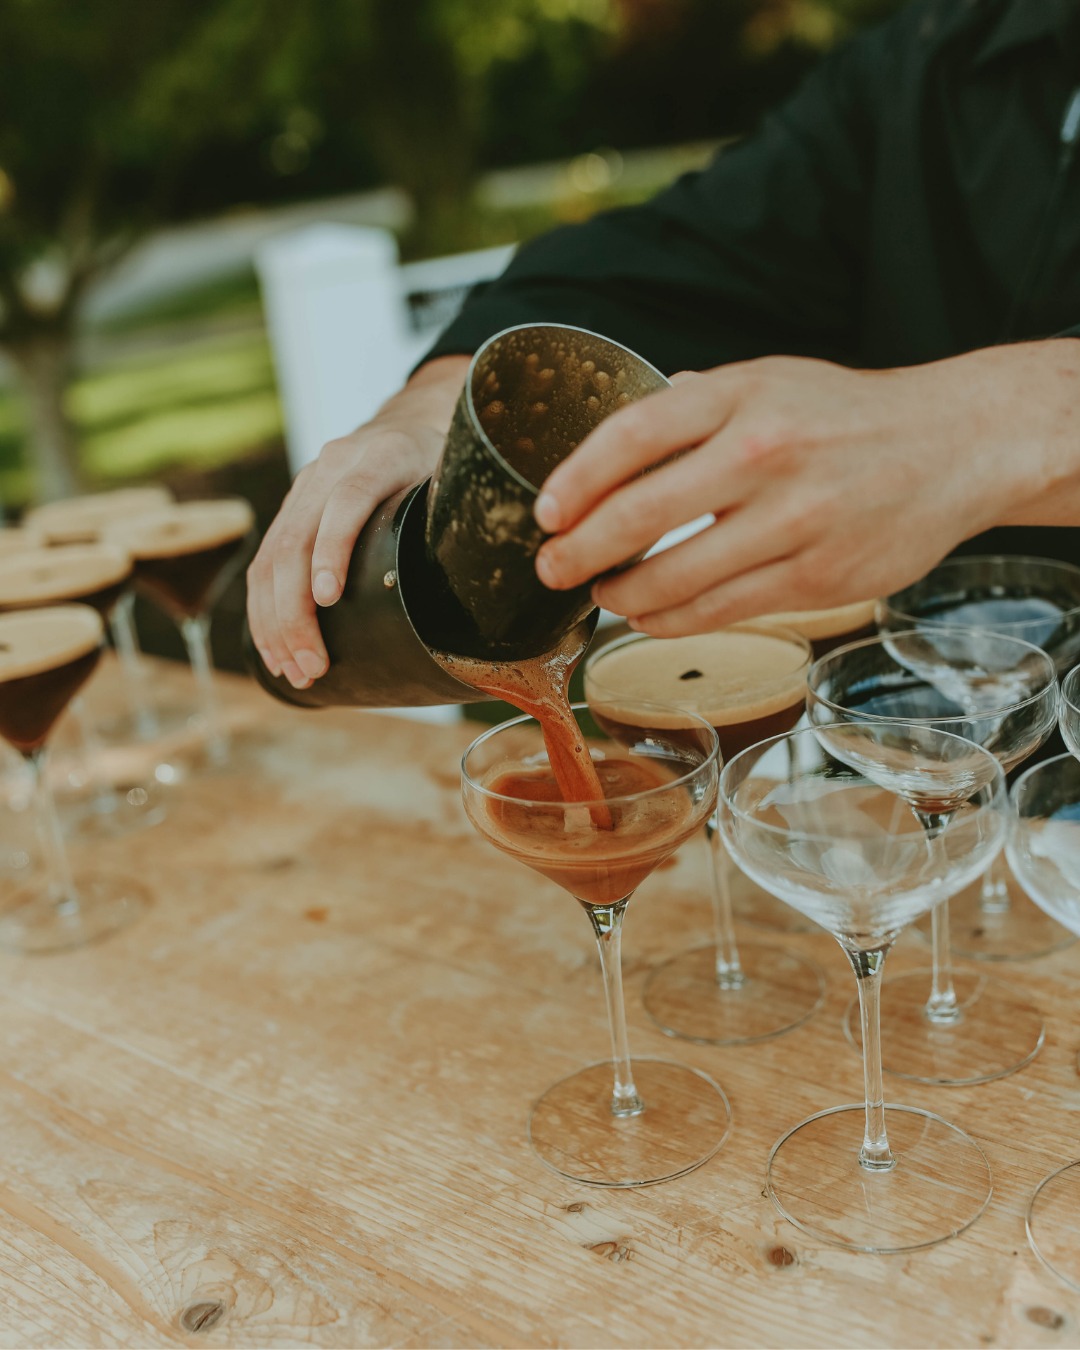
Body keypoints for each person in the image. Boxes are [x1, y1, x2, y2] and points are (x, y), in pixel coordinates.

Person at [248, 0, 1080, 691]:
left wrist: (980, 430)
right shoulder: (940, 53)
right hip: (909, 753)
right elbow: (669, 256)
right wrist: (437, 412)